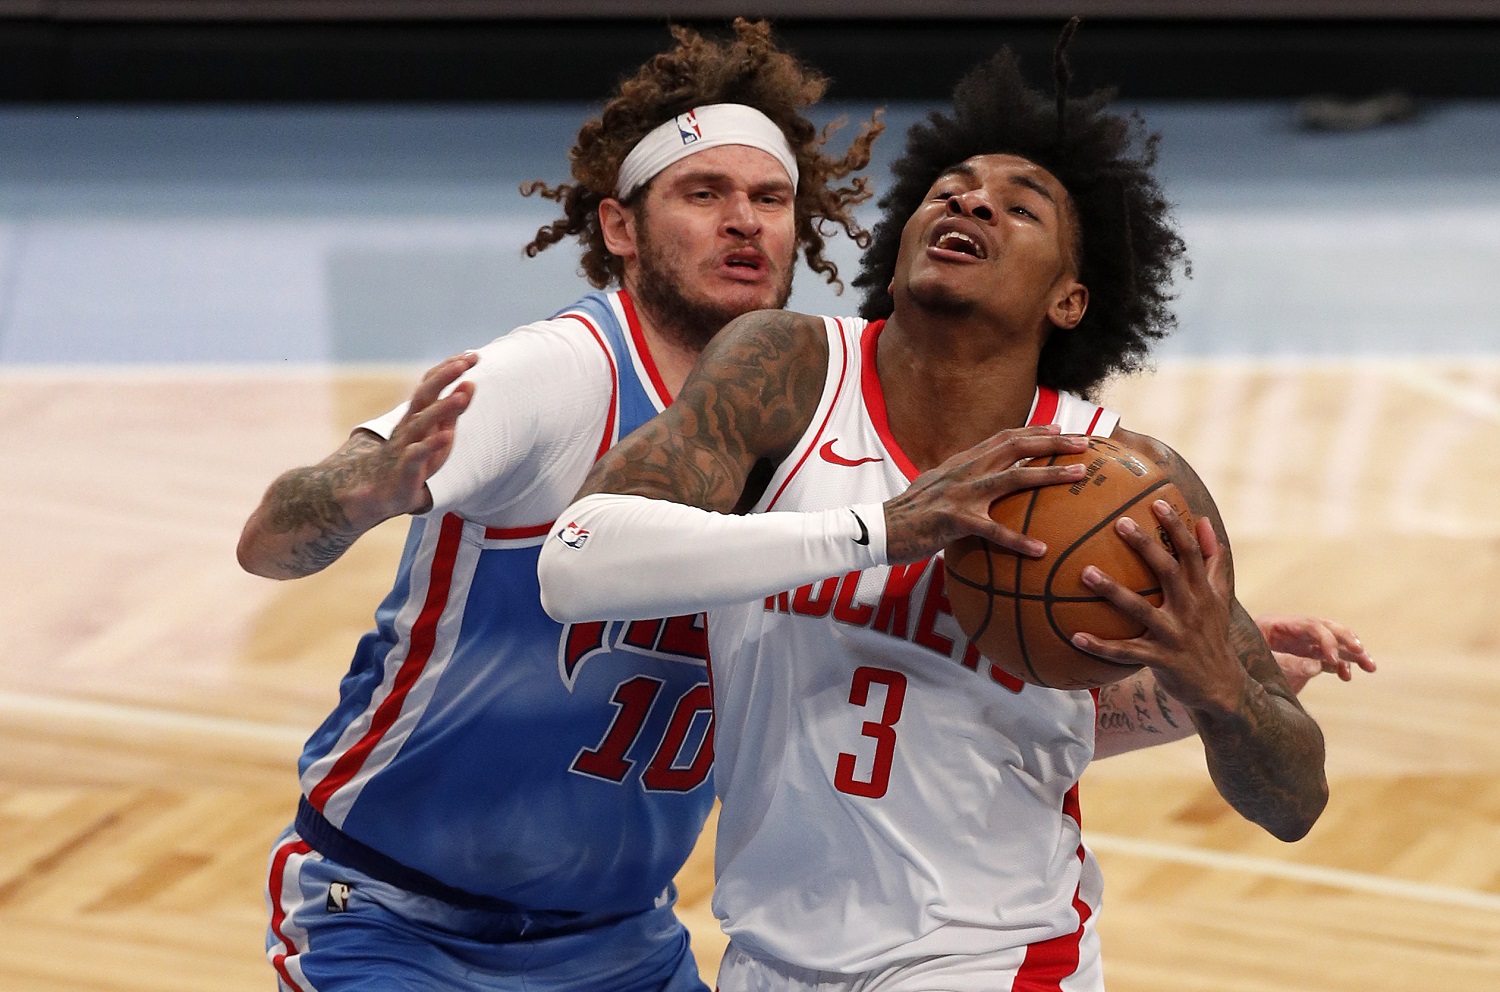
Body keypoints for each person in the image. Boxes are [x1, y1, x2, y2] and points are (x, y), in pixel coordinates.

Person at [538, 39, 1343, 991]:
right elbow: (574, 564)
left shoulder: (1120, 483)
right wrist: (883, 529)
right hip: (767, 954)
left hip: (993, 954)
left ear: (1070, 297)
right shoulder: (787, 372)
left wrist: (1221, 695)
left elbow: (1294, 800)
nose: (970, 203)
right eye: (951, 189)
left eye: (1020, 206)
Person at [238, 20, 880, 992]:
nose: (743, 220)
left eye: (769, 198)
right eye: (704, 194)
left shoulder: (823, 408)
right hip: (389, 917)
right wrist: (372, 487)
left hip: (622, 940)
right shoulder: (556, 376)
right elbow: (267, 543)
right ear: (620, 227)